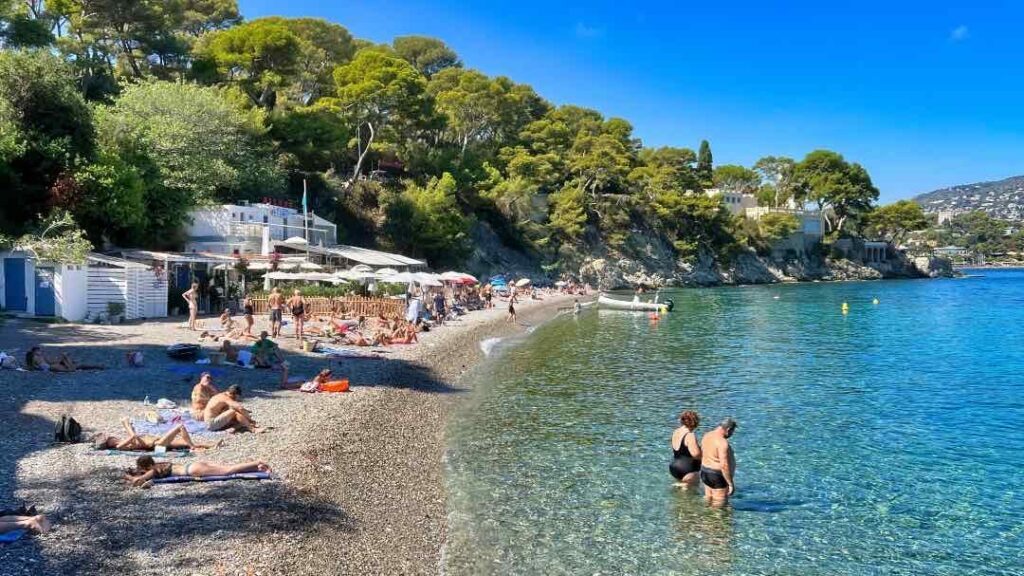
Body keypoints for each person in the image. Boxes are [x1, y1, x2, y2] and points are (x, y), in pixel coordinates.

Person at [125, 455, 271, 487]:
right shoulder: (159, 464)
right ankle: (256, 467)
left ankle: (257, 462)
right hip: (193, 465)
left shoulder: (154, 470)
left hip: (193, 469)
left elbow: (139, 481)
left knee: (228, 471)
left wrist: (130, 478)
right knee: (227, 468)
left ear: (146, 467)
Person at [92, 418, 215, 452]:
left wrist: (127, 425)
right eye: (109, 438)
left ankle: (211, 445)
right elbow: (133, 437)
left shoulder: (120, 441)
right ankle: (193, 447)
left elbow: (134, 437)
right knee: (179, 427)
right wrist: (126, 426)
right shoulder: (119, 446)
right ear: (108, 442)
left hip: (157, 441)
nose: (111, 436)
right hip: (156, 444)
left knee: (184, 443)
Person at [700, 418, 738, 504]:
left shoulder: (707, 435)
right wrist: (730, 484)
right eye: (732, 432)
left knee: (708, 499)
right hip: (717, 476)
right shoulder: (722, 443)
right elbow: (724, 465)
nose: (731, 434)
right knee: (719, 507)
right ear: (728, 430)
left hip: (704, 472)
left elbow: (702, 452)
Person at [669, 410, 702, 486]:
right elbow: (696, 454)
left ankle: (680, 485)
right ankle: (683, 486)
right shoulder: (690, 435)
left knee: (679, 494)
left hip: (674, 467)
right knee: (690, 493)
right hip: (687, 469)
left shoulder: (676, 431)